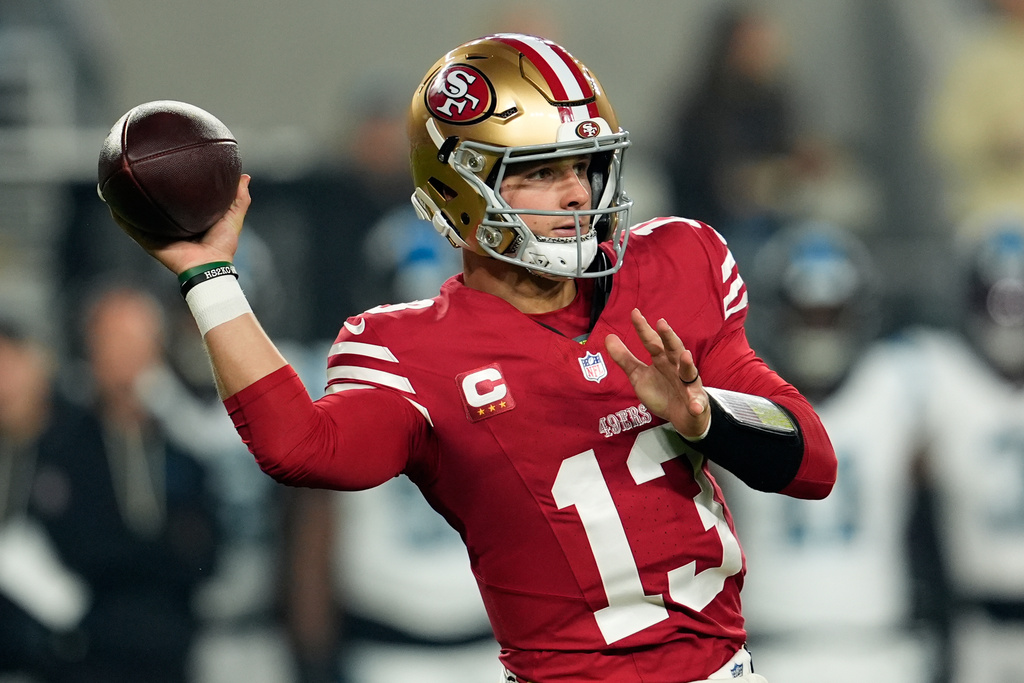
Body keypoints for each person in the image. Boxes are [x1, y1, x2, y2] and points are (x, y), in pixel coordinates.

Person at [112, 33, 836, 683]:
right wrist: (209, 278)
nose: (578, 191)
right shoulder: (411, 348)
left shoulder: (677, 265)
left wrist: (709, 415)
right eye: (542, 172)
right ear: (462, 191)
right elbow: (302, 446)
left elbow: (812, 464)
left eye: (584, 164)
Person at [729, 222, 940, 683]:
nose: (817, 329)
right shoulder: (731, 391)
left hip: (882, 646)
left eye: (830, 314)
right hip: (771, 648)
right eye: (804, 315)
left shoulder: (905, 383)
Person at [907, 223, 1024, 683]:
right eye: (997, 300)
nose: (1009, 317)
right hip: (973, 623)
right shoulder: (934, 374)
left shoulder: (931, 371)